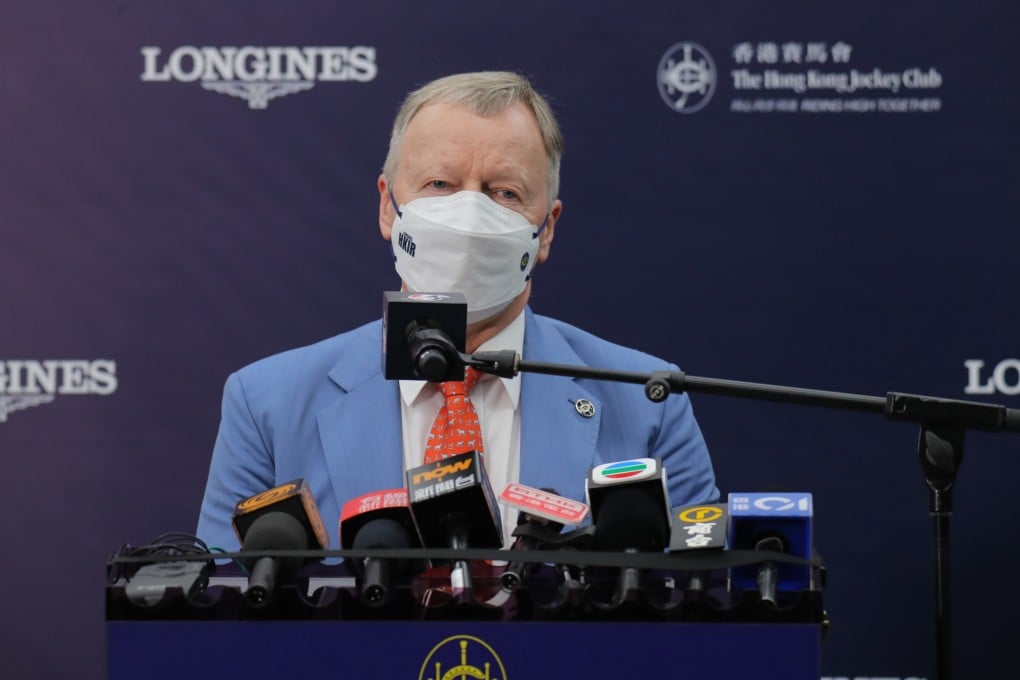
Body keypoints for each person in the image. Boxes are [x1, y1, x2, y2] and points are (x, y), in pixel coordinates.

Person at [197, 71, 718, 551]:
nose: (470, 214)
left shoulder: (649, 400)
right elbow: (221, 613)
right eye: (440, 185)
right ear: (387, 206)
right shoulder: (266, 405)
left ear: (547, 228)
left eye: (504, 192)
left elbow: (702, 618)